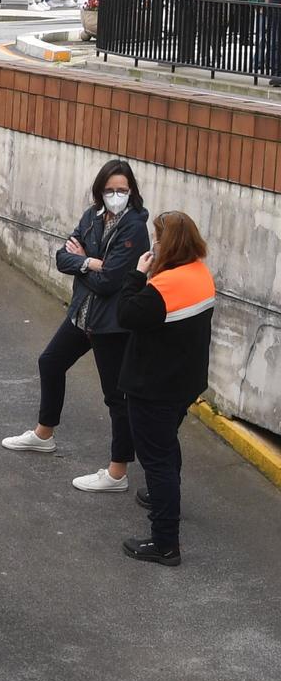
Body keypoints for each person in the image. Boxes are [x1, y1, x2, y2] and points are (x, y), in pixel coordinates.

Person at [0, 161, 150, 492]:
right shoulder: (92, 216)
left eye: (122, 190)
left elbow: (112, 282)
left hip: (112, 325)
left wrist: (86, 264)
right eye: (110, 190)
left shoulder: (135, 228)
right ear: (100, 191)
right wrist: (88, 262)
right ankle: (43, 434)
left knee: (116, 397)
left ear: (132, 192)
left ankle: (117, 472)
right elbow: (61, 257)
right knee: (50, 362)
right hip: (83, 316)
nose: (116, 196)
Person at [112, 211, 215, 566]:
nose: (153, 243)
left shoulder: (163, 287)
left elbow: (125, 313)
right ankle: (165, 498)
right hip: (184, 384)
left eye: (157, 237)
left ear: (167, 243)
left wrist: (137, 274)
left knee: (156, 460)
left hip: (153, 387)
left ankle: (165, 543)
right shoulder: (200, 275)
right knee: (167, 447)